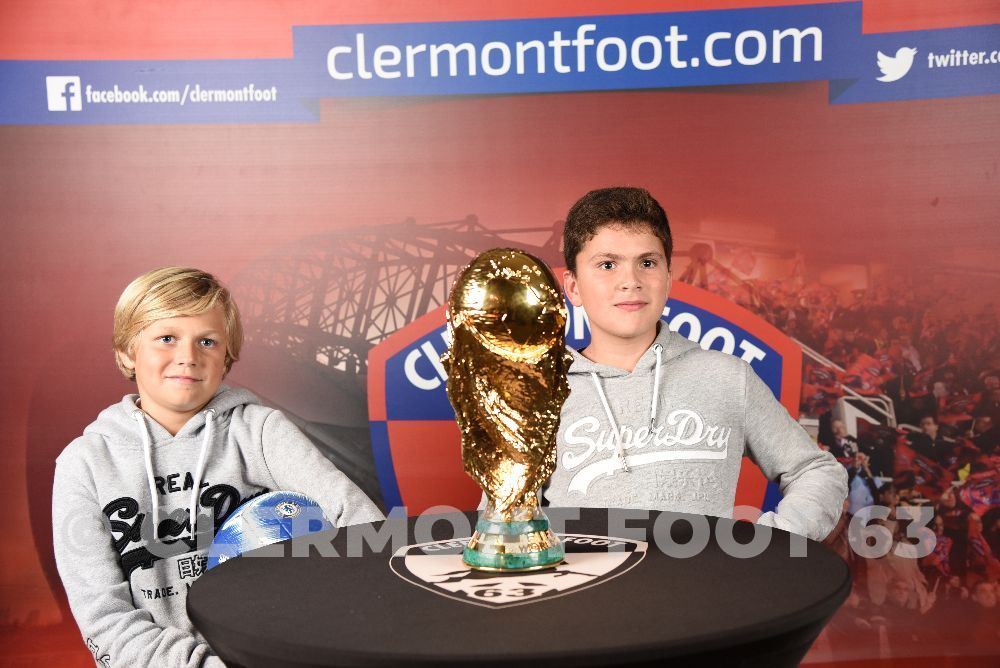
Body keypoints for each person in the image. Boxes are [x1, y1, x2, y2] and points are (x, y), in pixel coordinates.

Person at [52, 267, 384, 667]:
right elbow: (104, 615)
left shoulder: (260, 432)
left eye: (207, 342)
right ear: (126, 352)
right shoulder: (83, 464)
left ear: (226, 359)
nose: (188, 357)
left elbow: (359, 523)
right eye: (166, 338)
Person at [544, 187, 847, 541]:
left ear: (668, 280)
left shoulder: (727, 378)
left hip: (703, 594)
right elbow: (504, 523)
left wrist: (772, 545)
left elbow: (816, 469)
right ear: (573, 286)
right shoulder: (538, 396)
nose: (631, 281)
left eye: (647, 262)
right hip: (581, 594)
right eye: (607, 264)